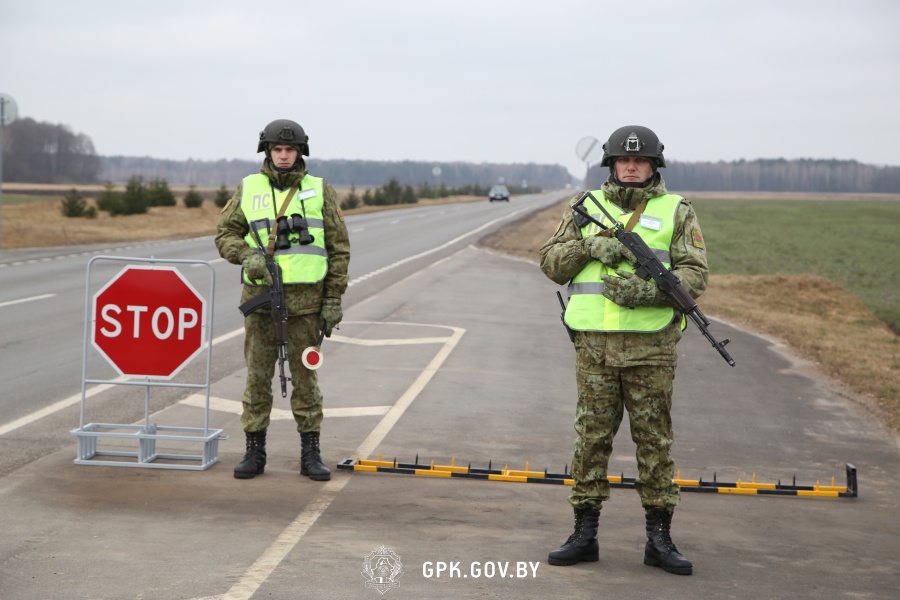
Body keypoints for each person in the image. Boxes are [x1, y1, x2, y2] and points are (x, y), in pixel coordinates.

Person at [539, 125, 708, 575]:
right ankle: (584, 534)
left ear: (654, 166)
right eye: (624, 160)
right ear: (612, 164)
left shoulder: (677, 210)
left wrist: (648, 293)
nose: (631, 167)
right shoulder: (584, 207)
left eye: (640, 160)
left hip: (652, 349)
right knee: (590, 441)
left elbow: (695, 275)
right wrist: (588, 246)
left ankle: (659, 539)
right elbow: (551, 264)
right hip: (593, 348)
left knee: (655, 443)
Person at [215, 119, 350, 482]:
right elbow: (225, 233)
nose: (284, 155)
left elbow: (339, 248)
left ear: (300, 152)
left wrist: (333, 299)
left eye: (290, 149)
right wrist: (246, 255)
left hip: (307, 306)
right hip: (261, 302)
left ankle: (311, 454)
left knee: (306, 381)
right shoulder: (249, 187)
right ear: (268, 152)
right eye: (278, 149)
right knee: (257, 379)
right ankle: (254, 451)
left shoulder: (320, 190)